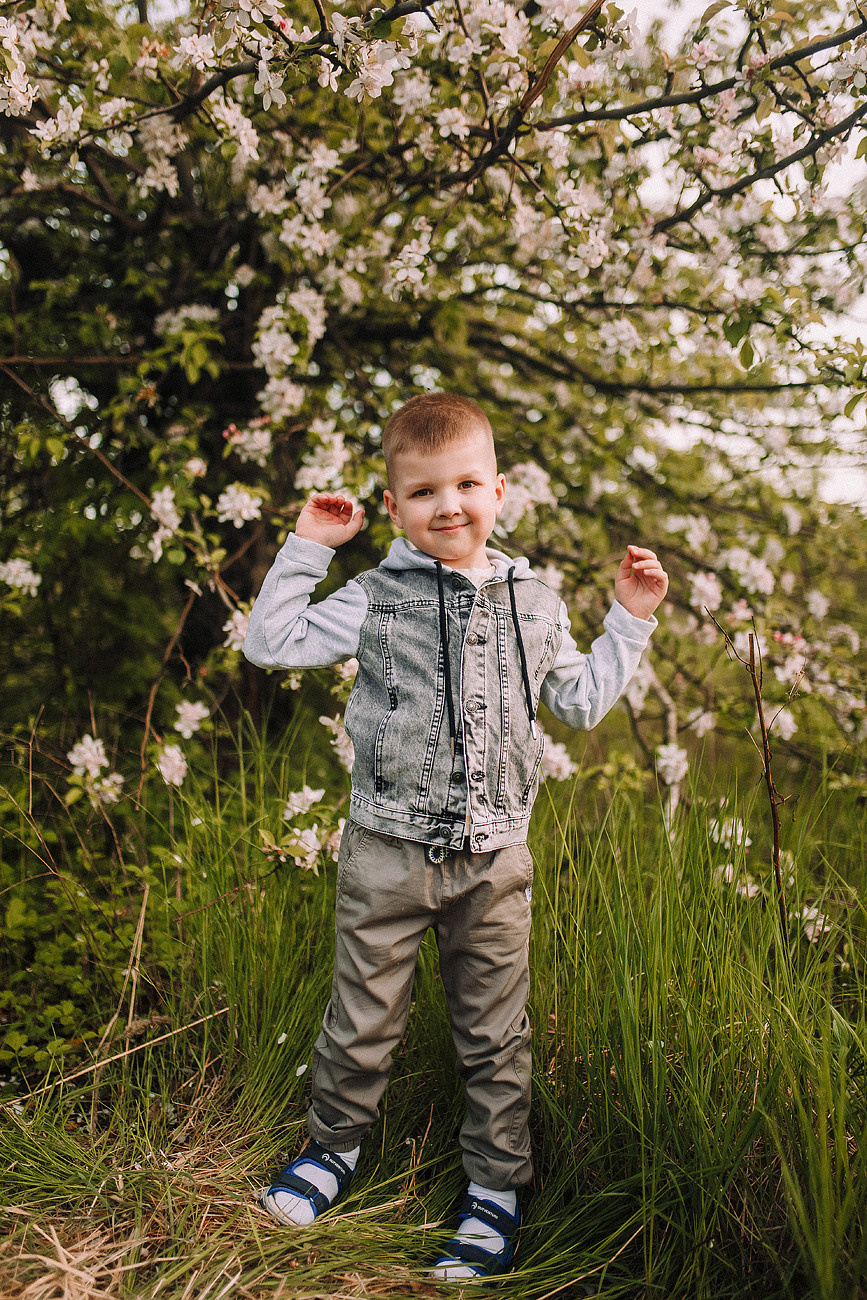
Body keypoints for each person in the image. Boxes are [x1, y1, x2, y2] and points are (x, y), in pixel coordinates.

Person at [243, 392, 669, 1281]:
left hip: (494, 862)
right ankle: (333, 1150)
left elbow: (581, 701)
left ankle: (494, 1190)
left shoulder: (537, 602)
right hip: (386, 853)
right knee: (361, 1019)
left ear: (500, 491)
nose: (449, 505)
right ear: (393, 507)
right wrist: (308, 548)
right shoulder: (373, 595)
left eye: (467, 484)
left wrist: (627, 619)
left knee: (493, 1034)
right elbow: (269, 641)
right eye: (425, 491)